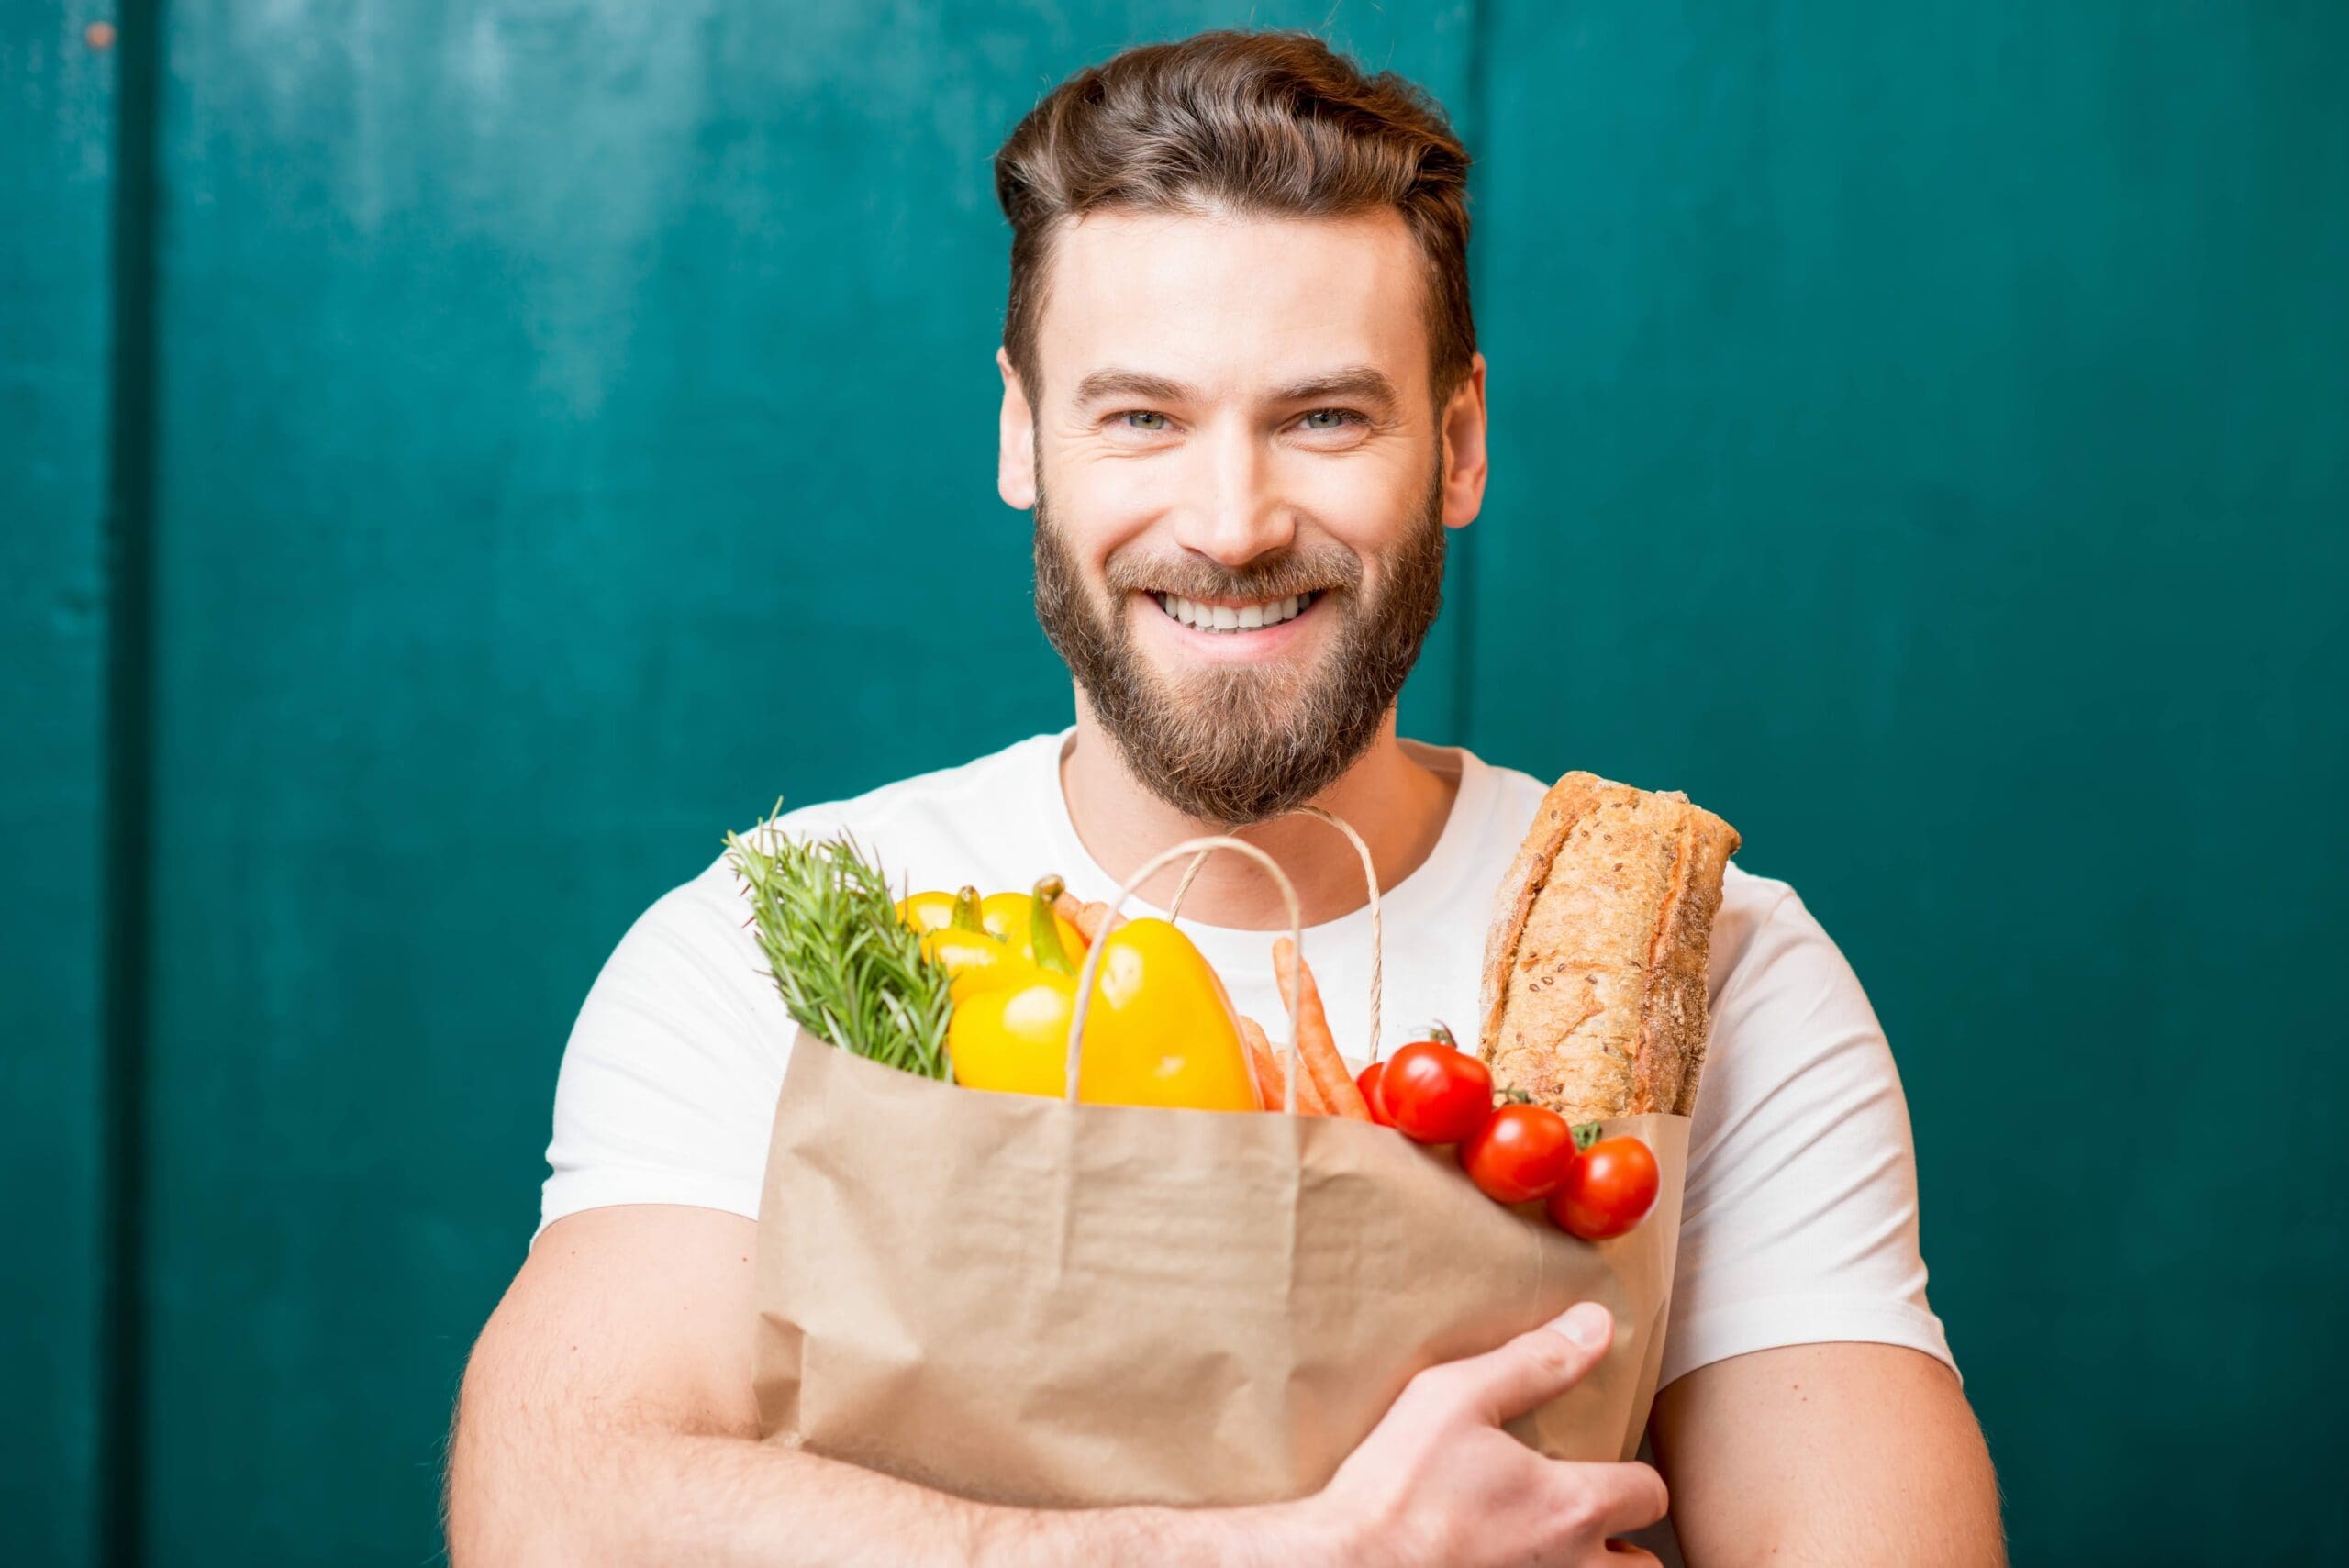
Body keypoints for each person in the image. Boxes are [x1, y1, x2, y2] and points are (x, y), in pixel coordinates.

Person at [446, 28, 2003, 1567]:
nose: (1233, 519)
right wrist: (1313, 1555)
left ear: (1457, 446)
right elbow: (552, 1516)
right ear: (1022, 433)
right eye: (1143, 417)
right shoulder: (773, 940)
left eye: (1324, 417)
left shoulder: (1733, 975)